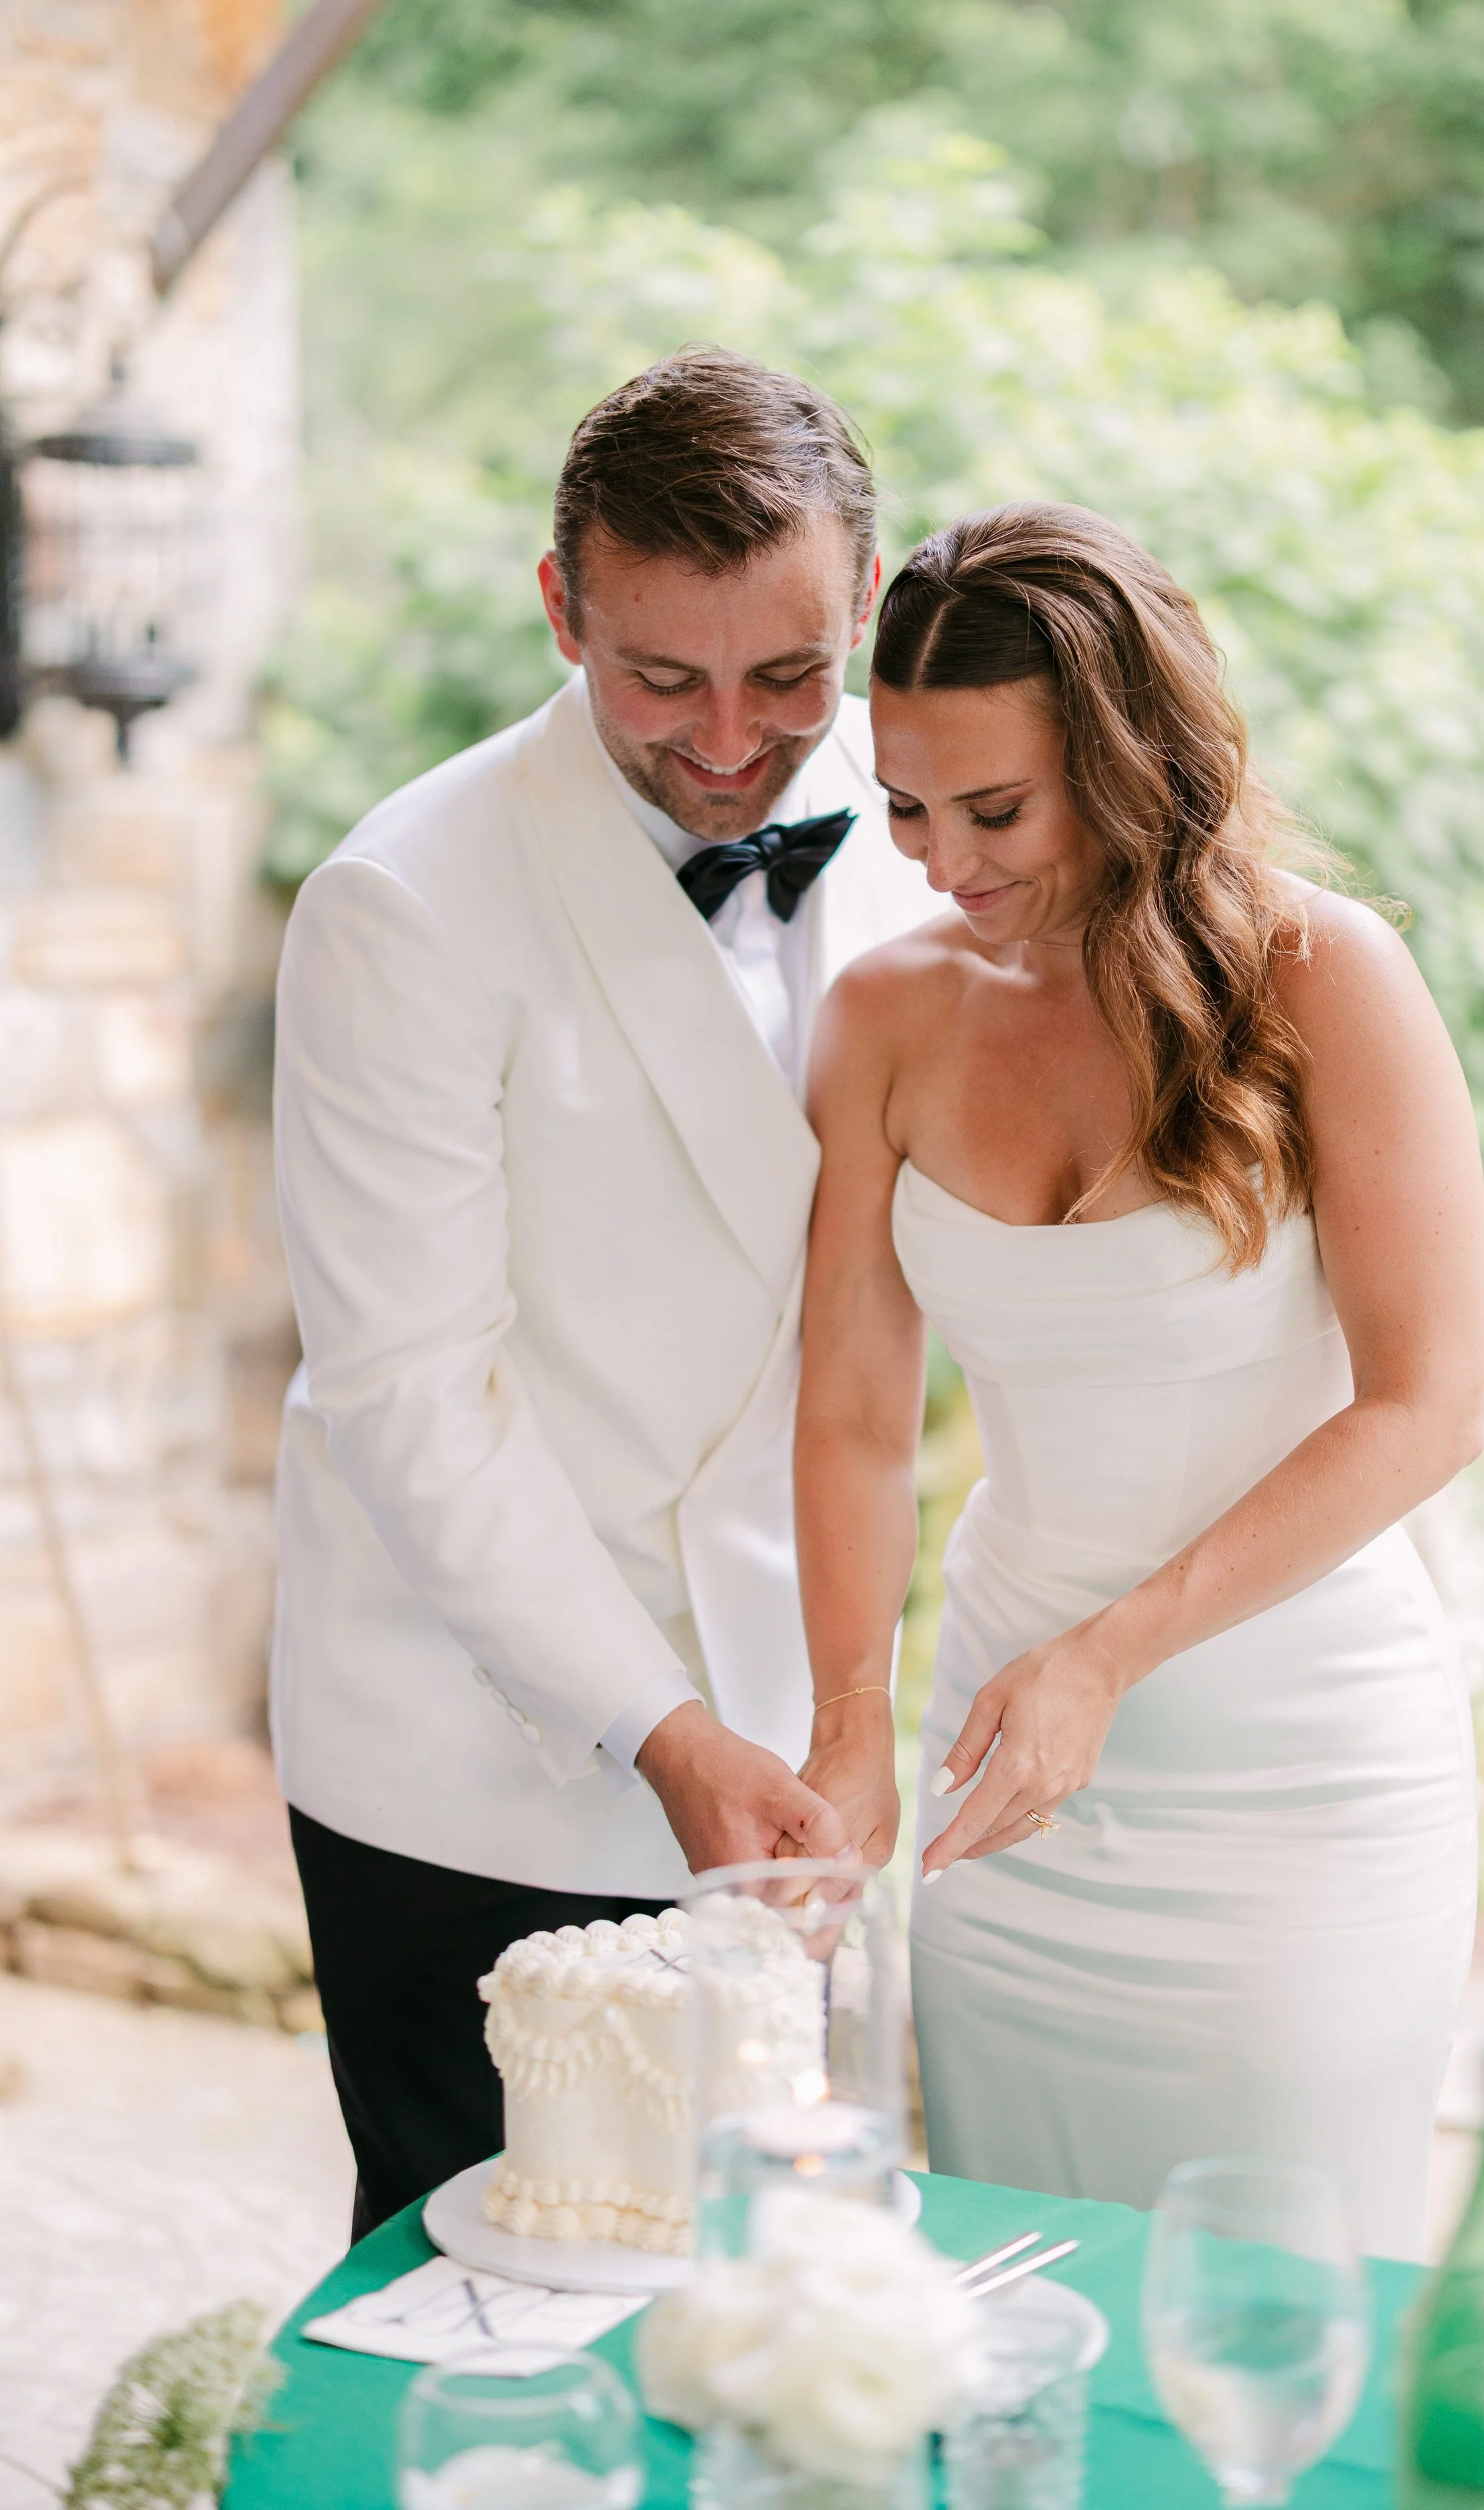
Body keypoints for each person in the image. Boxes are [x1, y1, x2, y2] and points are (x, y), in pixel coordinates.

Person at [270, 350, 931, 2234]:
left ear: (864, 606)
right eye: (661, 677)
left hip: (792, 1736)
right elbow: (413, 1395)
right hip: (482, 1751)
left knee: (766, 2269)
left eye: (789, 674)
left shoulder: (926, 848)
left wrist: (841, 1705)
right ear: (560, 609)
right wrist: (665, 1729)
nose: (730, 740)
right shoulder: (404, 903)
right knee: (487, 2292)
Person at [794, 502, 1484, 2260]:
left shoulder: (1326, 977)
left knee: (1276, 2321)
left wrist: (1108, 1651)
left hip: (1302, 1798)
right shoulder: (883, 1011)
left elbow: (1426, 1400)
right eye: (903, 807)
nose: (940, 860)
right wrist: (848, 1728)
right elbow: (858, 1414)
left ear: (1124, 764)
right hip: (1006, 1814)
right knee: (1019, 2304)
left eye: (995, 809)